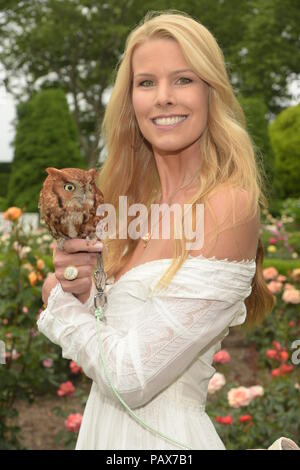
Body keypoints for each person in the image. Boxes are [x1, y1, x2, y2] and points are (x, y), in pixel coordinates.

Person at [38, 10, 275, 450]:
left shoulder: (227, 206)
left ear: (212, 93)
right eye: (146, 82)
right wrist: (79, 285)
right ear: (130, 100)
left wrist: (55, 297)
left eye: (183, 79)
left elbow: (130, 378)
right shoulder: (123, 207)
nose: (163, 97)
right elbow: (112, 335)